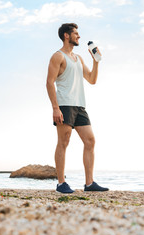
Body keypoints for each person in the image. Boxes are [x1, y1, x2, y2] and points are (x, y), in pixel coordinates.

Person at [46, 23, 108, 193]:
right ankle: (61, 183)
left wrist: (96, 62)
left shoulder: (79, 58)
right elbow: (49, 82)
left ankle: (89, 183)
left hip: (80, 106)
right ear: (67, 35)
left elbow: (92, 79)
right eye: (76, 34)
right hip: (64, 105)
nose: (79, 36)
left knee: (90, 140)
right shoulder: (57, 56)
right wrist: (55, 108)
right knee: (63, 142)